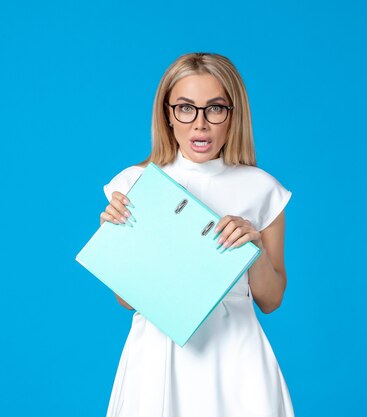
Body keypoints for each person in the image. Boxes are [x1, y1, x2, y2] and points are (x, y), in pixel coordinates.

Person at [99, 53, 294, 417]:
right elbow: (127, 301)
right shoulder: (134, 184)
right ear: (167, 114)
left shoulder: (262, 189)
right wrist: (116, 240)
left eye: (215, 109)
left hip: (236, 358)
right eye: (186, 108)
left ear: (233, 115)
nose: (200, 125)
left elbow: (271, 300)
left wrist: (253, 249)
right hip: (158, 355)